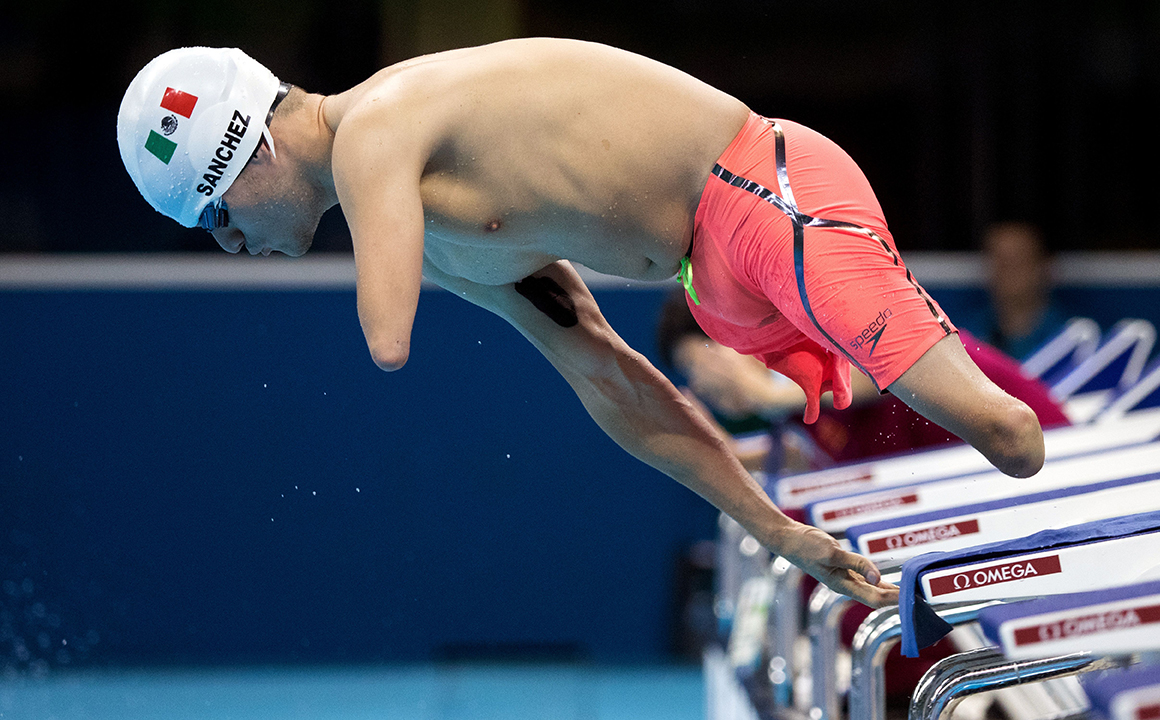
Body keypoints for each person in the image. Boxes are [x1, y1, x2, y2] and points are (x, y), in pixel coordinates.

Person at [116, 38, 1046, 608]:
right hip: (711, 284)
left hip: (767, 195)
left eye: (216, 219)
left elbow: (387, 341)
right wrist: (775, 529)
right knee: (950, 426)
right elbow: (607, 374)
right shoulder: (436, 238)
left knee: (1010, 438)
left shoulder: (377, 130)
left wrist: (374, 226)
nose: (233, 247)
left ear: (253, 153)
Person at [657, 289, 1070, 467]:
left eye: (702, 363)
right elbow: (821, 450)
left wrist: (758, 391)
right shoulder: (796, 390)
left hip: (1051, 462)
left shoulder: (835, 337)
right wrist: (731, 452)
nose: (704, 384)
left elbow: (875, 376)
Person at [961, 221, 1069, 360]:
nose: (1008, 269)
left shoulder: (1069, 336)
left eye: (1019, 259)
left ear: (1043, 266)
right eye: (999, 260)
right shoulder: (967, 337)